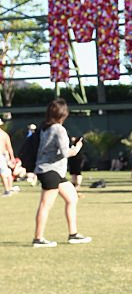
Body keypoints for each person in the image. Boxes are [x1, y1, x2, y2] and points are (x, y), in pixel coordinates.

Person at [32, 98, 91, 247]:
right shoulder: (58, 129)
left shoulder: (45, 128)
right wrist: (77, 148)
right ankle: (38, 238)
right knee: (45, 204)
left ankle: (73, 234)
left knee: (72, 198)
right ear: (63, 114)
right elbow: (65, 152)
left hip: (53, 171)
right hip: (50, 170)